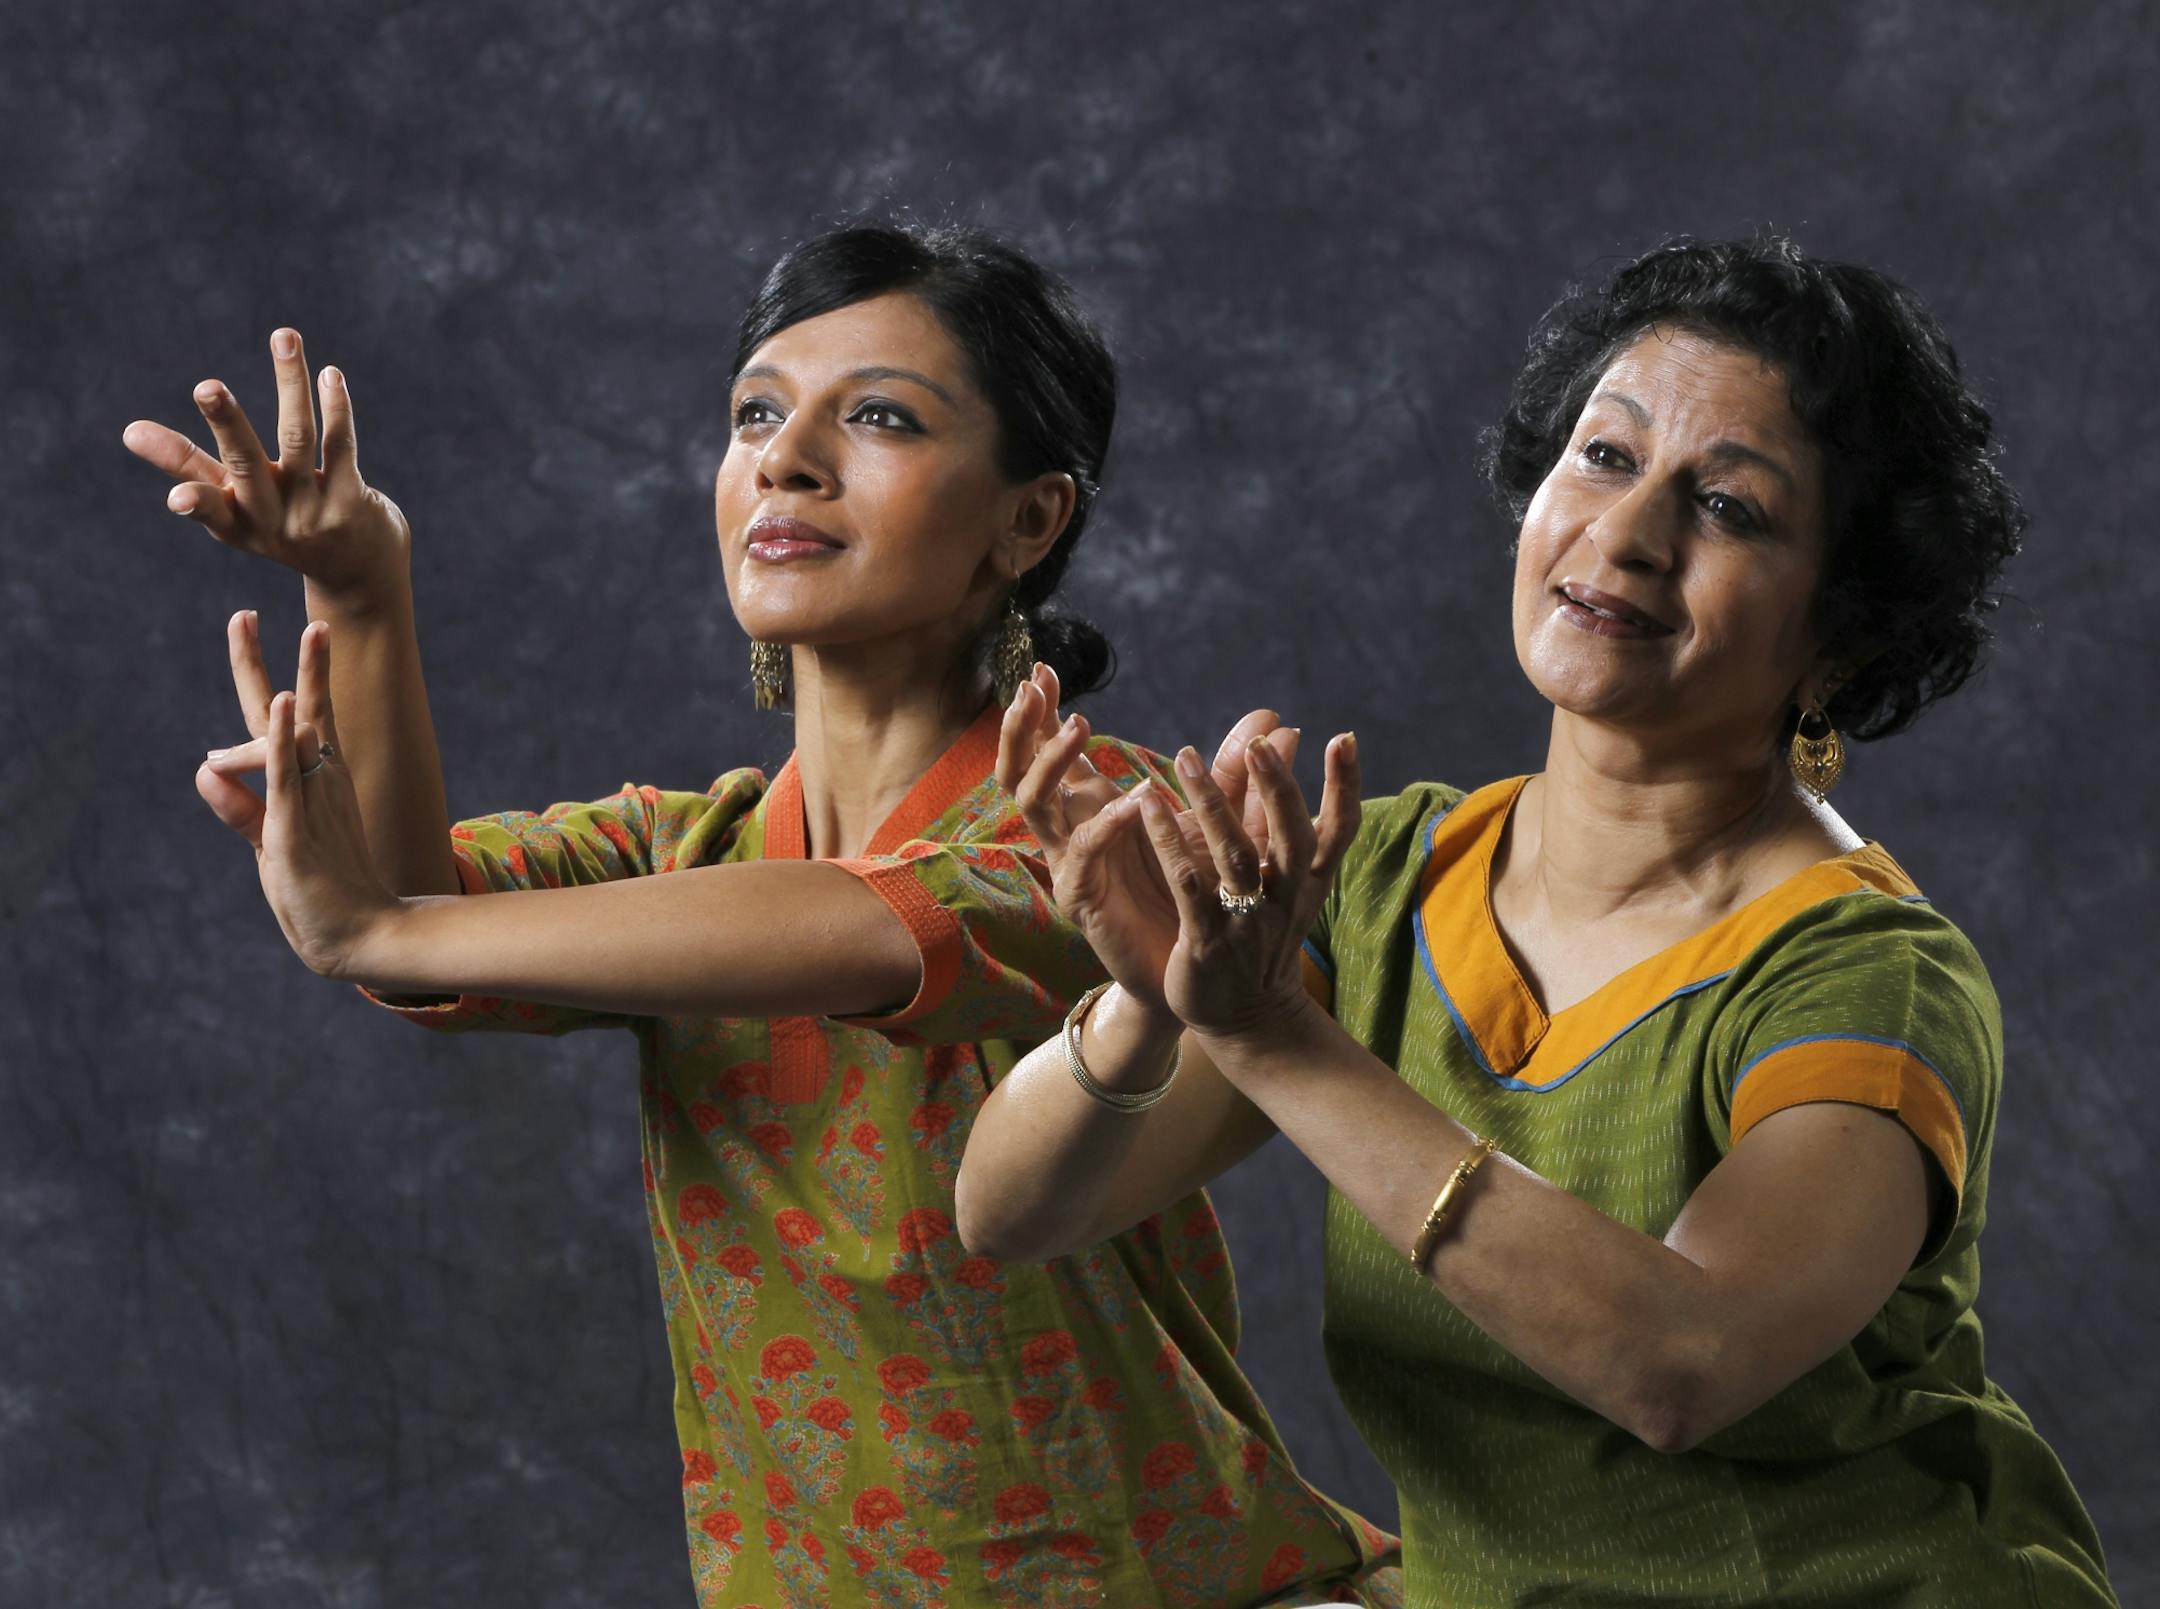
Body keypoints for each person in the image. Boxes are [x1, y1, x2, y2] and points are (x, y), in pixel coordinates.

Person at [129, 224, 1402, 1607]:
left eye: (877, 417)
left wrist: (376, 931)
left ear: (1029, 519)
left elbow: (875, 926)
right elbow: (421, 905)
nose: (784, 457)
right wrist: (361, 585)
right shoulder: (694, 850)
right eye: (754, 412)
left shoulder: (1112, 830)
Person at [965, 236, 2118, 1606]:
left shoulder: (1867, 975)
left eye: (1731, 509)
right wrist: (1160, 990)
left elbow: (1678, 1366)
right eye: (1605, 457)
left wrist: (1277, 1036)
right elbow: (1015, 1206)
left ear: (1845, 633)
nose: (1625, 533)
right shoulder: (1378, 875)